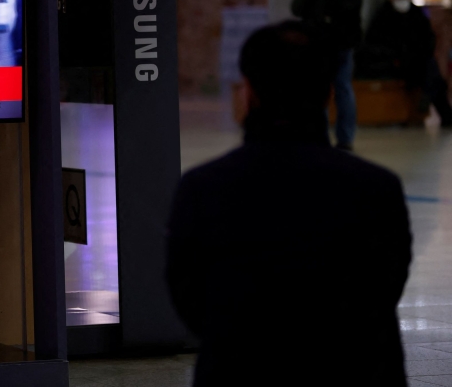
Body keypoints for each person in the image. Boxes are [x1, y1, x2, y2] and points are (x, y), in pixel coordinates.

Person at [166, 21, 412, 387]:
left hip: (239, 370)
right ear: (330, 94)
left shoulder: (203, 188)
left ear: (248, 93)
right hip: (359, 370)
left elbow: (189, 296)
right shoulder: (377, 189)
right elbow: (386, 285)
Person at [290, 0, 363, 149]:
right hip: (345, 41)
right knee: (344, 89)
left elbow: (296, 8)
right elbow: (357, 7)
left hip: (318, 42)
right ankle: (346, 138)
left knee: (317, 89)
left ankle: (318, 135)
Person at [361, 0, 452, 126]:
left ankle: (435, 106)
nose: (402, 1)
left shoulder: (416, 14)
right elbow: (374, 44)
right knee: (430, 75)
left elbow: (428, 39)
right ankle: (429, 100)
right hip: (394, 61)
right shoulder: (383, 16)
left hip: (417, 59)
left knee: (432, 72)